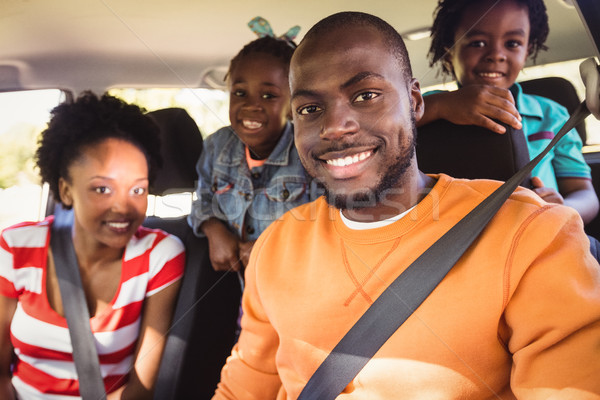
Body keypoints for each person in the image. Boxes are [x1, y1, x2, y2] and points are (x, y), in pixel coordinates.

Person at [213, 11, 600, 399]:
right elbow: (243, 387)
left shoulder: (533, 235)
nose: (335, 126)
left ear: (415, 102)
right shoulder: (274, 247)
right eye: (310, 109)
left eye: (365, 96)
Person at [0, 92, 185, 399]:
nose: (123, 207)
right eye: (102, 188)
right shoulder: (16, 247)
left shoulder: (160, 256)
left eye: (137, 189)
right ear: (66, 190)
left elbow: (141, 388)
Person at [419, 0, 599, 224]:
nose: (496, 54)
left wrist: (563, 209)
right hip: (449, 237)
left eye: (512, 43)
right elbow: (385, 127)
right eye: (477, 43)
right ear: (448, 55)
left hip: (540, 232)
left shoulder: (552, 115)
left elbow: (585, 194)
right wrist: (440, 106)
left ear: (526, 52)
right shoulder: (424, 106)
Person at [188, 17, 311, 273]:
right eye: (240, 93)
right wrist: (213, 228)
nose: (251, 105)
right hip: (246, 291)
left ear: (292, 105)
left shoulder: (308, 151)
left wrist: (271, 247)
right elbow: (204, 199)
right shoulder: (217, 145)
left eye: (269, 96)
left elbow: (327, 225)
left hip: (298, 283)